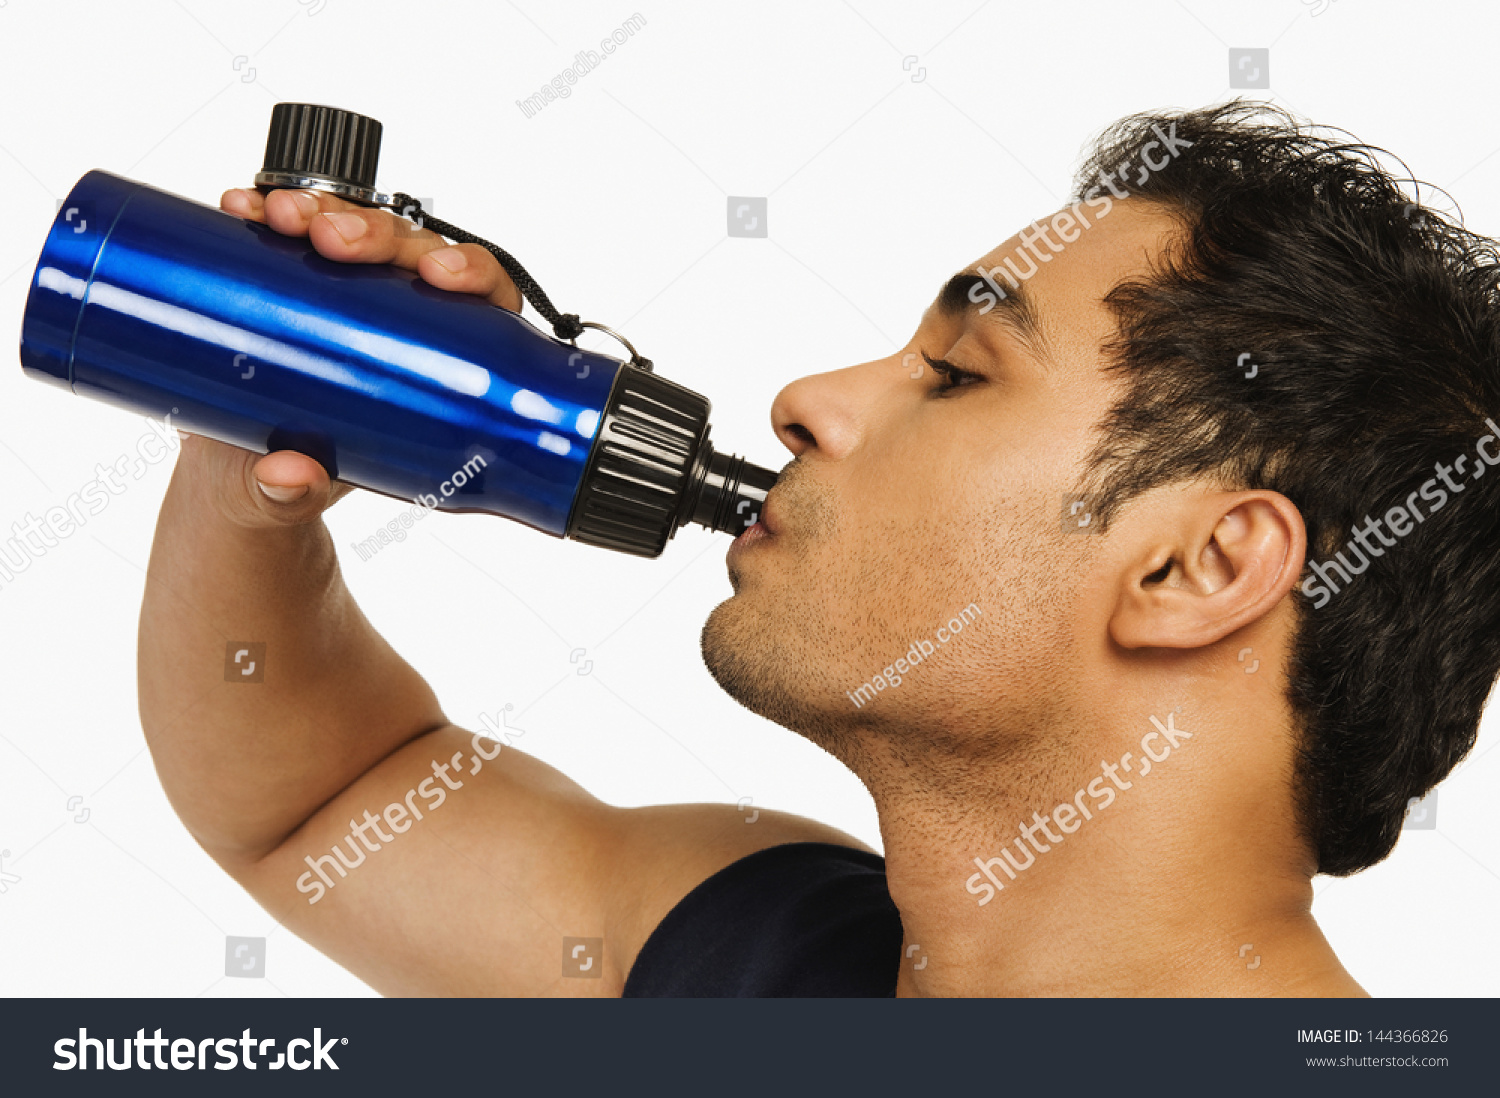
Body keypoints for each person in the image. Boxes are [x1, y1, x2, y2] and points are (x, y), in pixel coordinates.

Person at [139, 101, 1500, 996]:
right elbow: (319, 803)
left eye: (958, 372)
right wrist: (272, 400)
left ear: (1196, 569)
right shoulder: (758, 950)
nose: (806, 398)